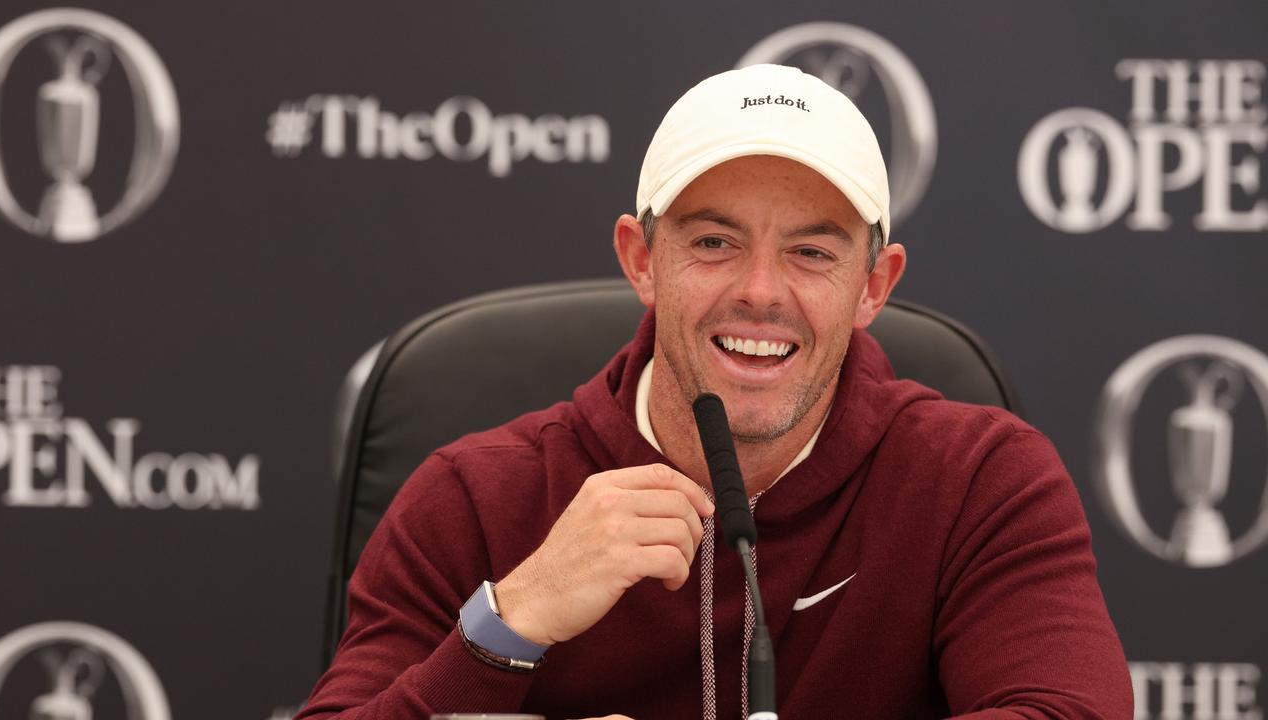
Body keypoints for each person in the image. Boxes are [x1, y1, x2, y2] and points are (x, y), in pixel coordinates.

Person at [297, 64, 1133, 720]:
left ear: (874, 285)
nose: (761, 292)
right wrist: (509, 621)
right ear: (640, 261)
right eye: (713, 241)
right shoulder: (475, 495)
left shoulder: (980, 478)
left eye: (812, 253)